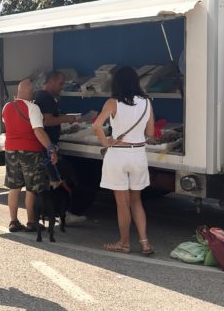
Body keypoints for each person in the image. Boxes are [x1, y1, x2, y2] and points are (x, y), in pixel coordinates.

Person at [92, 66, 155, 255]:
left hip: (118, 154)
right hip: (138, 154)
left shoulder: (113, 102)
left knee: (122, 202)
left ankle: (124, 243)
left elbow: (97, 125)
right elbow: (150, 133)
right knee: (136, 200)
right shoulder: (146, 102)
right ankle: (145, 243)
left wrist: (106, 141)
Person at [2, 79, 58, 232]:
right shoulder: (33, 108)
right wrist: (51, 149)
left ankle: (13, 221)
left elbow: (9, 125)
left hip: (10, 150)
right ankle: (31, 222)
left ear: (18, 91)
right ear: (31, 92)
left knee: (14, 187)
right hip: (30, 152)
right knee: (31, 188)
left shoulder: (6, 107)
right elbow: (38, 130)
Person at [34, 71, 87, 224]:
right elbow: (47, 121)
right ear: (51, 81)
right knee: (63, 179)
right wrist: (68, 118)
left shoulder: (39, 96)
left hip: (45, 147)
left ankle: (49, 213)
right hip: (48, 148)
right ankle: (64, 213)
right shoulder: (46, 98)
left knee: (52, 182)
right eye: (60, 83)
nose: (62, 87)